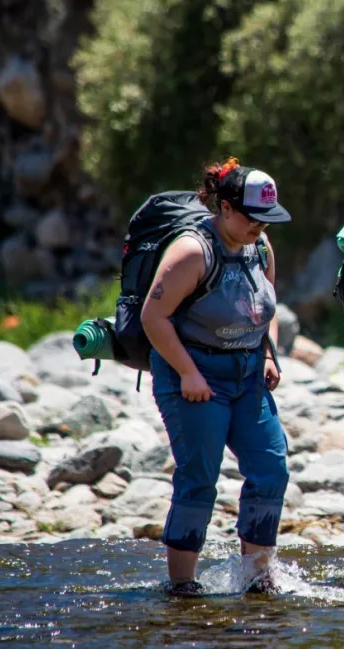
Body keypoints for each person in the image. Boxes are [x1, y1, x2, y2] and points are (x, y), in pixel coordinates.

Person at [141, 158, 292, 596]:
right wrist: (187, 372)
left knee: (271, 469)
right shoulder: (192, 251)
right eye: (252, 218)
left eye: (267, 220)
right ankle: (182, 588)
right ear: (225, 207)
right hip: (195, 377)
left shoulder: (260, 248)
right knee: (200, 477)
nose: (260, 228)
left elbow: (266, 309)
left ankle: (257, 580)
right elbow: (154, 316)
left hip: (248, 376)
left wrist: (268, 354)